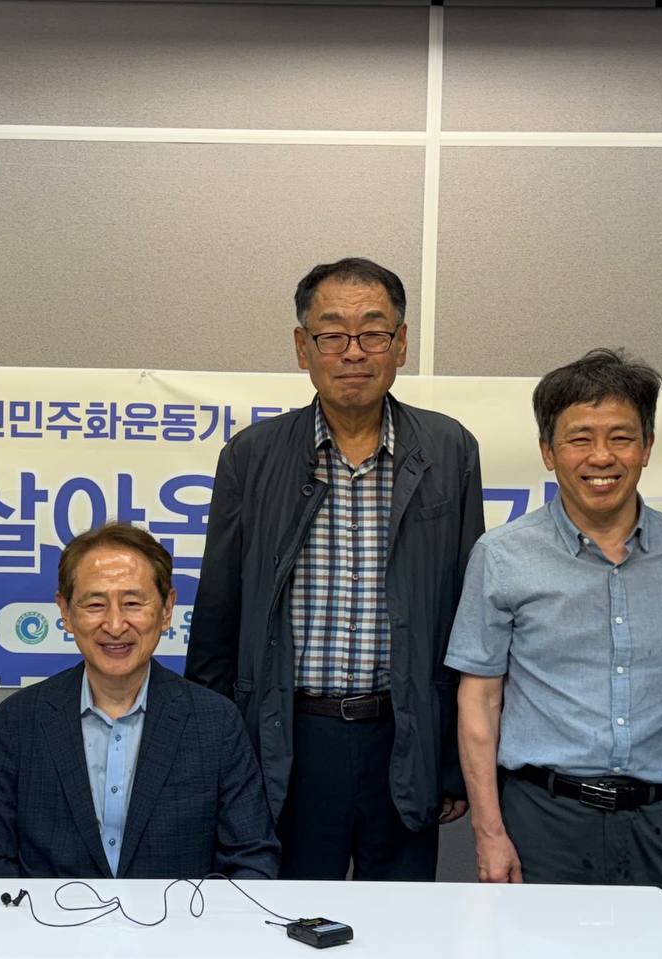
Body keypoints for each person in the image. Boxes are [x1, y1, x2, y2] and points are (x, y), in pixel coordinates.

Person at [185, 257, 484, 880]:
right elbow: (219, 615)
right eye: (332, 334)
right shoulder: (252, 456)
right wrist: (211, 755)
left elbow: (467, 615)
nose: (353, 351)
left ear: (401, 344)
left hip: (404, 734)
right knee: (285, 916)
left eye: (373, 332)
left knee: (400, 921)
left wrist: (452, 761)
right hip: (289, 738)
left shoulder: (448, 449)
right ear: (303, 347)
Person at [446, 348, 662, 934]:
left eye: (621, 437)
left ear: (648, 446)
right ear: (548, 451)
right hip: (545, 822)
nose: (602, 457)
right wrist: (489, 832)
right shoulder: (503, 556)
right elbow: (479, 700)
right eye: (580, 439)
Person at [0, 523, 279, 879]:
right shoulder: (17, 722)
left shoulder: (215, 722)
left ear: (167, 609)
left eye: (132, 603)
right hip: (49, 917)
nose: (114, 625)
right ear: (65, 612)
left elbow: (252, 860)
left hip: (179, 917)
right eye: (95, 604)